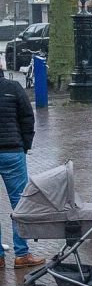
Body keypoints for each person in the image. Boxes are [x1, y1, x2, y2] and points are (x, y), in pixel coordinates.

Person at [0, 55, 40, 269]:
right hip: (11, 152)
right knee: (20, 203)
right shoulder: (13, 87)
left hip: (12, 150)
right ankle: (21, 254)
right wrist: (25, 145)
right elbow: (27, 117)